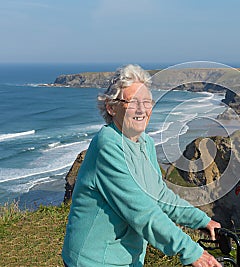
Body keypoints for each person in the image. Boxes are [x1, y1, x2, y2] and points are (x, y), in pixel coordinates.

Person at [62, 64, 222, 267]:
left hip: (127, 258)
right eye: (133, 102)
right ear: (111, 108)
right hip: (94, 260)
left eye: (147, 102)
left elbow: (159, 195)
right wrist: (191, 252)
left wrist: (201, 220)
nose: (142, 109)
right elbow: (141, 211)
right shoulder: (108, 145)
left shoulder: (145, 143)